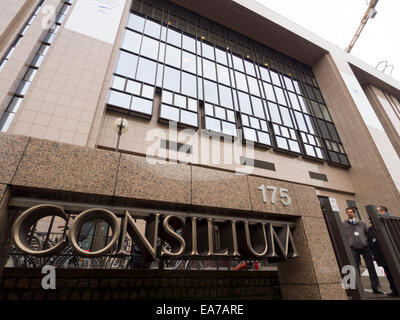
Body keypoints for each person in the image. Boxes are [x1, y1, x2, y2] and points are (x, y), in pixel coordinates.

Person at [342, 207, 383, 294]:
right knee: (354, 268)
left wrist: (367, 243)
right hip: (353, 248)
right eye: (347, 212)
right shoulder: (344, 224)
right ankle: (357, 288)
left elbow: (367, 234)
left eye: (350, 212)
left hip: (365, 248)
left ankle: (375, 287)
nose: (349, 214)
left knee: (371, 268)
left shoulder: (362, 223)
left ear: (354, 213)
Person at [367, 207, 399, 297]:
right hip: (381, 255)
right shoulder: (370, 229)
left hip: (394, 254)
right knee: (389, 273)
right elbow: (369, 242)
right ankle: (395, 290)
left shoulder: (390, 223)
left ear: (384, 212)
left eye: (376, 212)